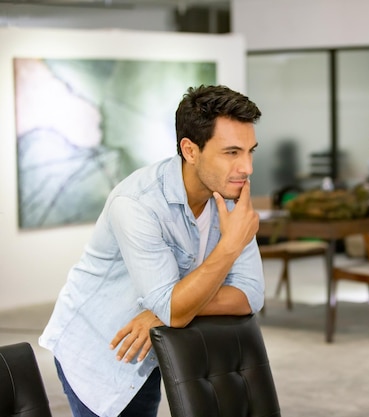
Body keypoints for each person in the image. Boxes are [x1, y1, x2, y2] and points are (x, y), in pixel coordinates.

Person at [39, 85, 265, 417]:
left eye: (250, 151)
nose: (247, 168)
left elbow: (250, 294)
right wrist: (229, 247)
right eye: (232, 153)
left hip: (153, 342)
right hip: (102, 349)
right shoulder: (137, 203)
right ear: (190, 150)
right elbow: (175, 310)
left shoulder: (231, 195)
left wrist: (167, 309)